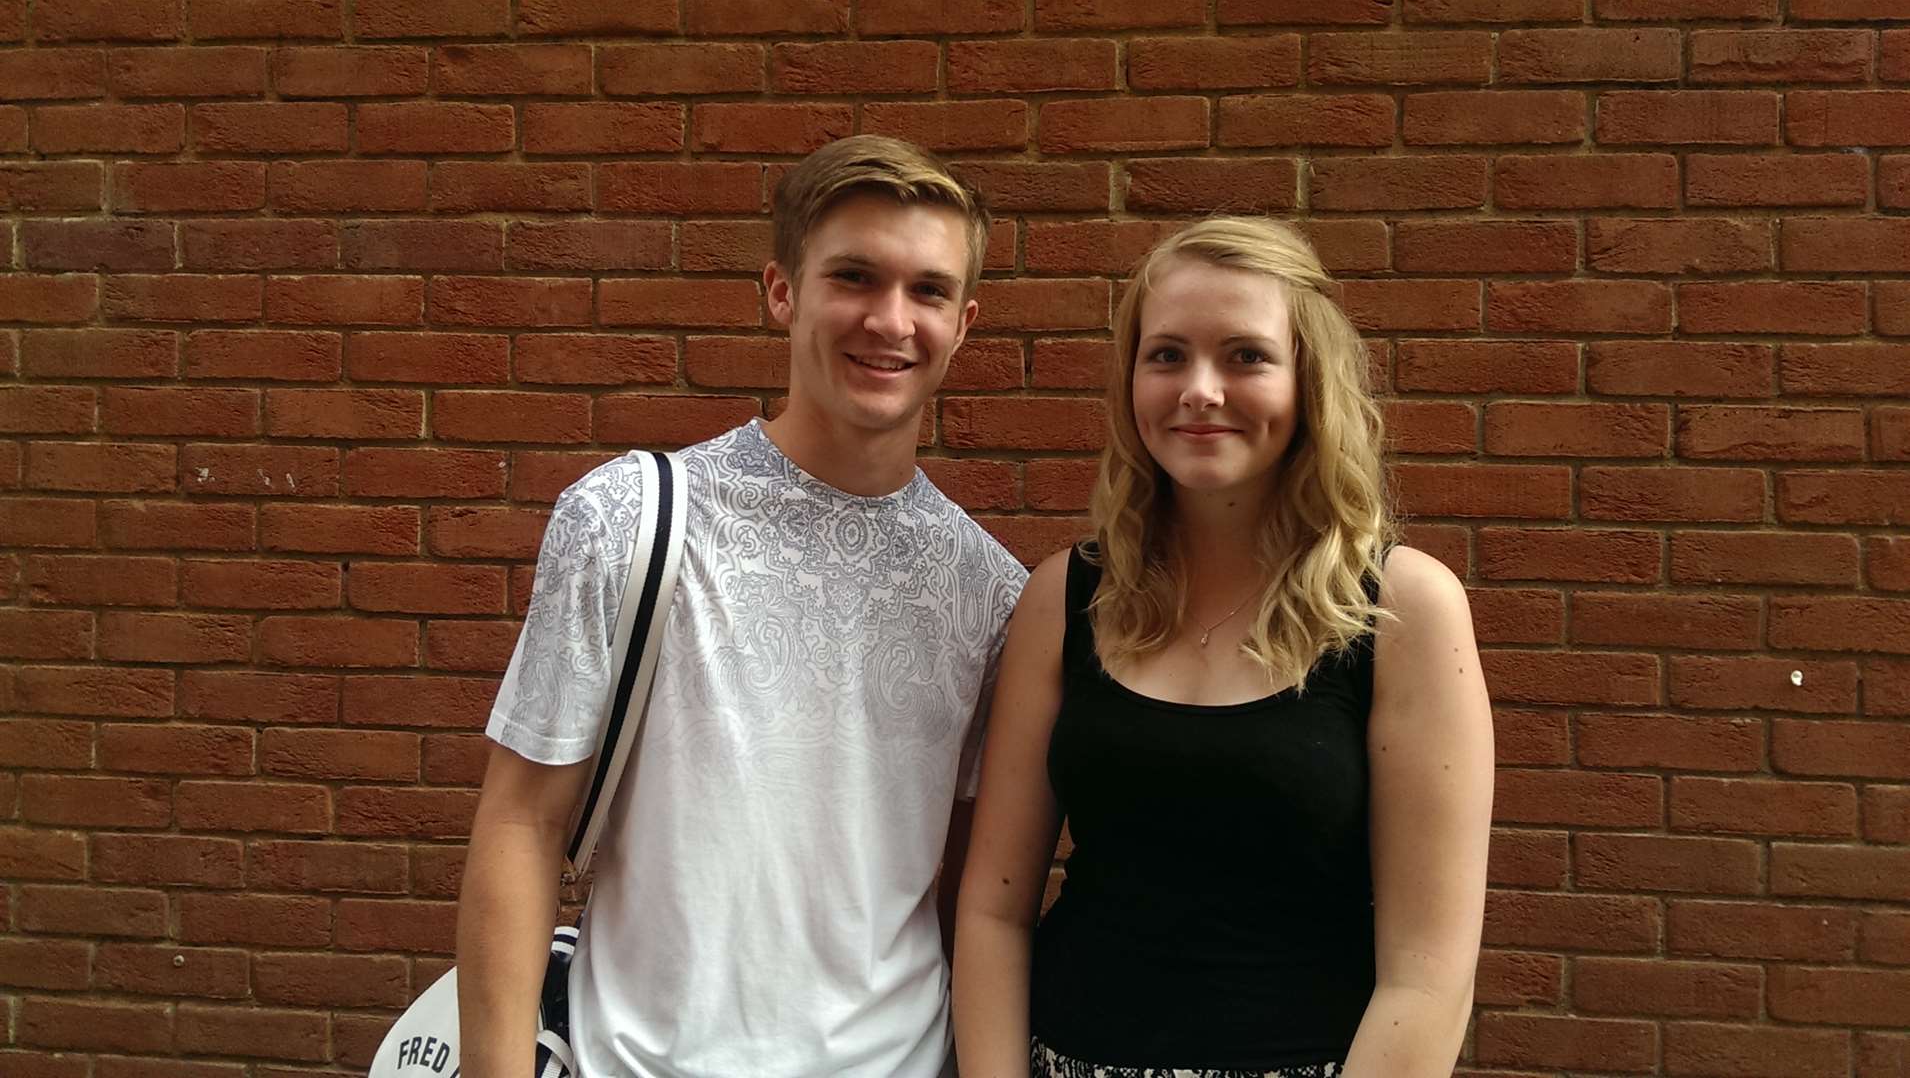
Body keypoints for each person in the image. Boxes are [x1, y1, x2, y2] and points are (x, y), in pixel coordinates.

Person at [456, 135, 1026, 1078]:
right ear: (781, 291)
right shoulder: (629, 518)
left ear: (964, 322)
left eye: (927, 291)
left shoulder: (994, 594)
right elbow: (521, 824)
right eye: (854, 276)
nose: (891, 320)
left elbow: (972, 895)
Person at [952, 217, 1493, 1077]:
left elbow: (1429, 978)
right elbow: (993, 911)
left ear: (1308, 379)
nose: (1200, 389)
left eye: (1246, 355)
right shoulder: (1068, 596)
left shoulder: (1401, 609)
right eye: (1166, 355)